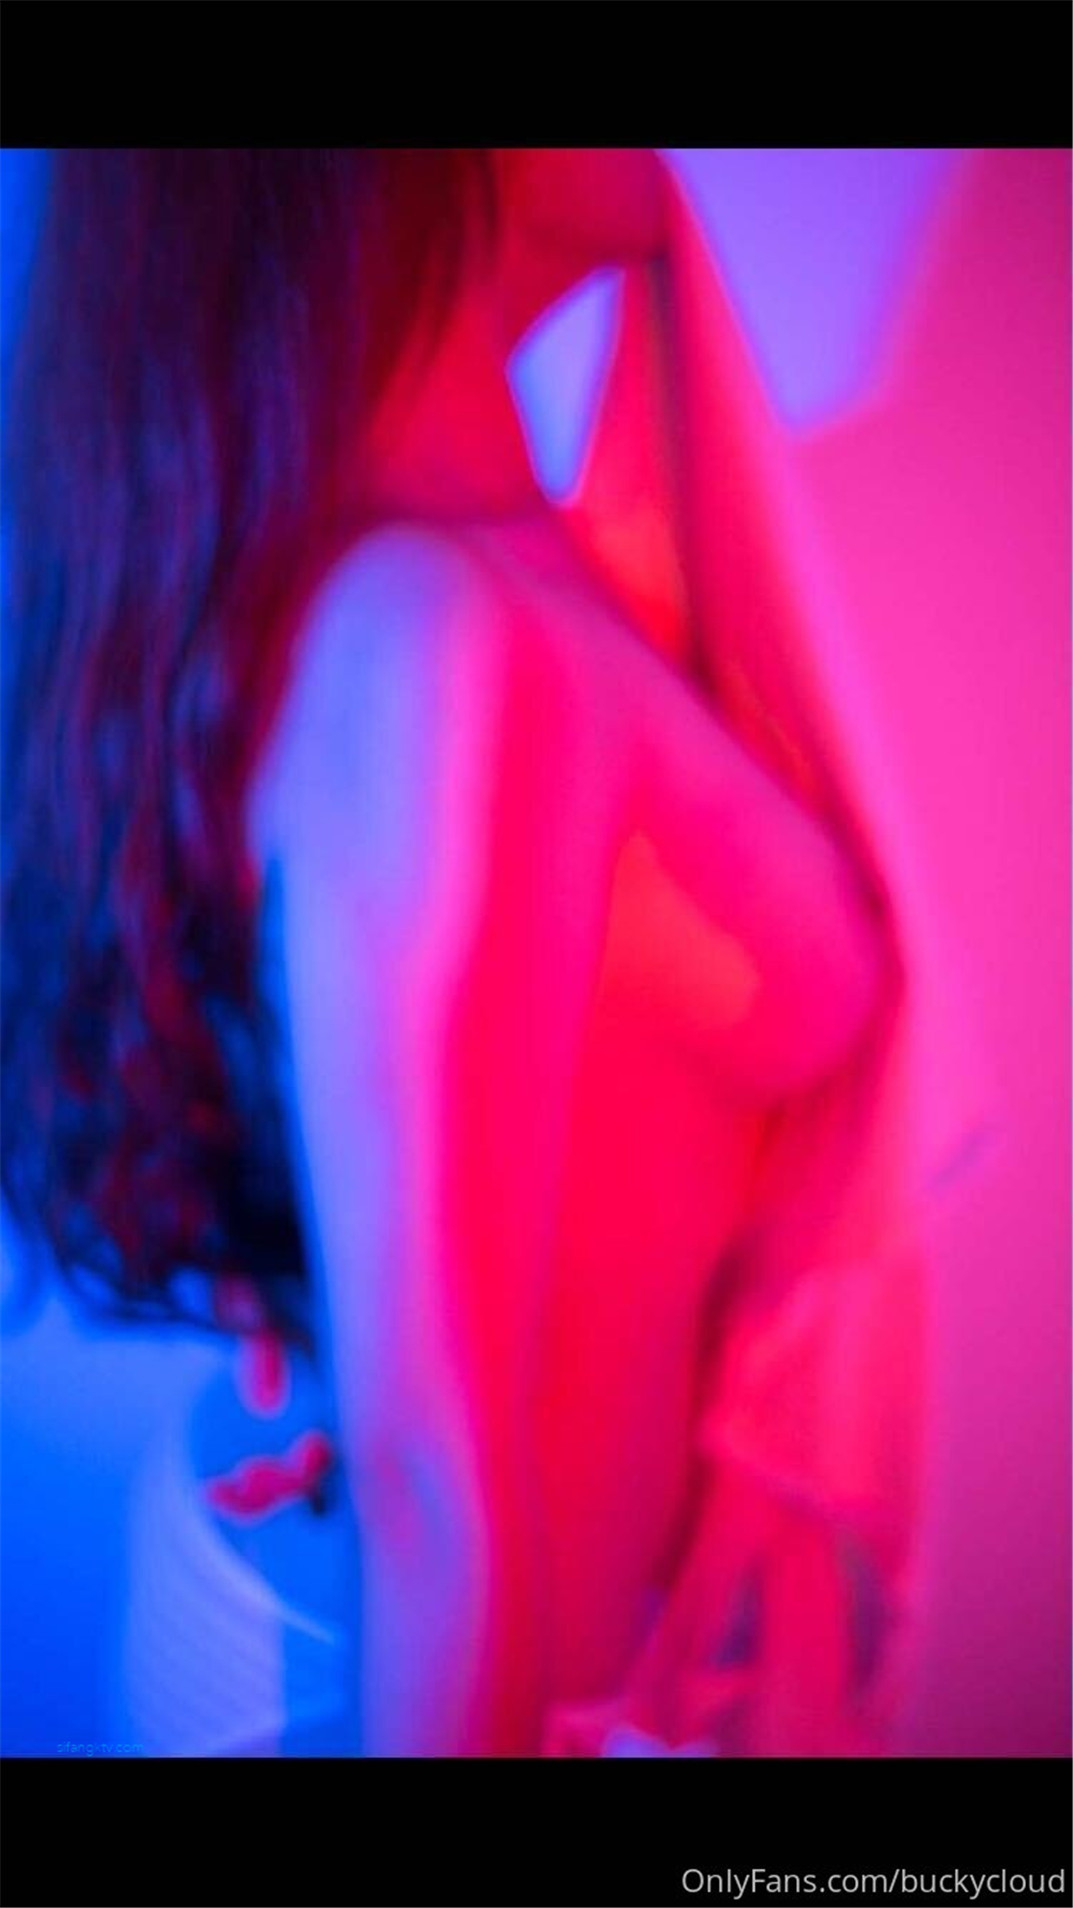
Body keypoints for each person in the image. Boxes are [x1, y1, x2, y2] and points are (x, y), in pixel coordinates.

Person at [0, 149, 989, 1758]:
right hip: (403, 1698)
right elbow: (423, 1483)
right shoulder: (445, 638)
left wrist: (747, 1428)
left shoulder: (485, 587)